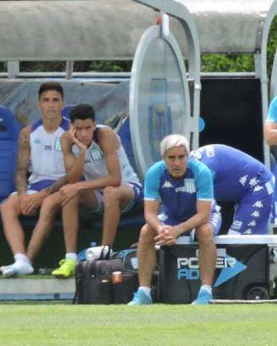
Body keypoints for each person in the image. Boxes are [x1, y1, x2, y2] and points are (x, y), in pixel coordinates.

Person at [53, 103, 142, 278]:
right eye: (79, 129)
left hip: (127, 189)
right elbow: (72, 179)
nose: (84, 133)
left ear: (94, 124)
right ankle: (70, 258)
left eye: (88, 128)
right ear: (72, 128)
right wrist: (82, 151)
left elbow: (115, 179)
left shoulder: (105, 135)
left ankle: (105, 252)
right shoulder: (66, 140)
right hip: (97, 194)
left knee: (109, 191)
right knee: (69, 194)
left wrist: (78, 185)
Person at [129, 134, 221, 305]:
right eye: (171, 157)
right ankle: (143, 293)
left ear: (188, 156)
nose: (177, 163)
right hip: (172, 216)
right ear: (163, 158)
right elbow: (149, 213)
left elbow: (204, 215)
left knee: (205, 231)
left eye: (181, 157)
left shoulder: (201, 171)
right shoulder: (155, 173)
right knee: (146, 231)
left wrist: (177, 230)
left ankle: (206, 293)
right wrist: (161, 229)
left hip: (203, 215)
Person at [0, 82, 69, 277]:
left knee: (47, 204)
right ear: (39, 104)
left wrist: (41, 196)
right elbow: (21, 171)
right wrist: (22, 196)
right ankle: (20, 259)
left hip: (63, 187)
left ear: (63, 104)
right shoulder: (27, 133)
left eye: (56, 100)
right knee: (7, 208)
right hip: (35, 186)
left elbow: (74, 174)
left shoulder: (71, 131)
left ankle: (28, 259)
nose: (51, 105)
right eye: (46, 100)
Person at [190, 144, 274, 235]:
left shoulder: (202, 172)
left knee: (238, 241)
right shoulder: (186, 164)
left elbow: (209, 214)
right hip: (243, 186)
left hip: (259, 183)